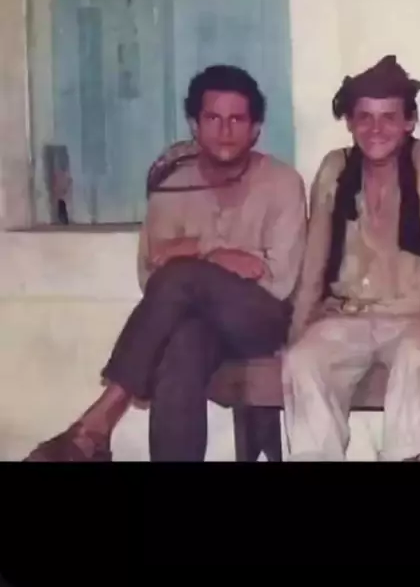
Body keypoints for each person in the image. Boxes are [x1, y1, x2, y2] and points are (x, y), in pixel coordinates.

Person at [25, 64, 307, 461]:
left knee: (182, 276)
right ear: (194, 125)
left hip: (262, 321)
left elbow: (277, 280)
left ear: (255, 128)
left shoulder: (282, 182)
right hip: (197, 323)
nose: (225, 130)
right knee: (181, 348)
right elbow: (153, 275)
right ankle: (101, 437)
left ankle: (101, 418)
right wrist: (217, 256)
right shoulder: (173, 187)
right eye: (213, 118)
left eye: (237, 120)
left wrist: (195, 255)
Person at [282, 55, 420, 462]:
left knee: (412, 362)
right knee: (302, 362)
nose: (376, 129)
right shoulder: (336, 168)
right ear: (350, 123)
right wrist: (298, 329)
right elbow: (315, 256)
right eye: (365, 118)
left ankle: (408, 456)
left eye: (389, 118)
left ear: (409, 122)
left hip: (414, 317)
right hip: (346, 315)